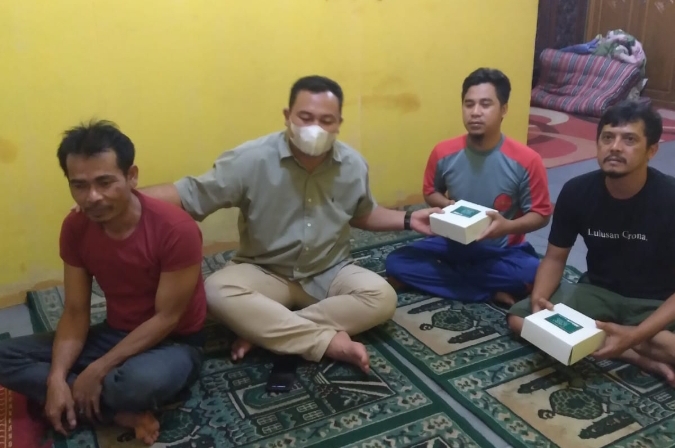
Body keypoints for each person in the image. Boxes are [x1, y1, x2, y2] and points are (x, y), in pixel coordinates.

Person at [135, 75, 441, 373]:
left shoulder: (352, 164)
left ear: (338, 124)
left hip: (329, 269)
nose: (315, 128)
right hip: (264, 269)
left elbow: (362, 213)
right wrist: (125, 199)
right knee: (215, 291)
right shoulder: (250, 159)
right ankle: (323, 341)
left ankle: (266, 331)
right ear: (287, 116)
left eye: (326, 120)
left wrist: (409, 218)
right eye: (305, 117)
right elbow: (189, 194)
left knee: (382, 297)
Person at [0, 121, 207, 445]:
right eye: (79, 186)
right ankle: (114, 411)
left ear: (132, 176)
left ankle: (96, 398)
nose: (93, 197)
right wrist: (56, 378)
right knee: (4, 355)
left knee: (135, 384)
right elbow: (75, 310)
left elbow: (167, 318)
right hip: (114, 332)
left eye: (105, 182)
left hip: (174, 342)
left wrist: (97, 369)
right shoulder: (76, 227)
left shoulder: (176, 229)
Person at [507, 100, 675, 386]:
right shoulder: (576, 191)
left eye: (629, 140)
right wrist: (539, 304)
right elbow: (555, 258)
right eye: (608, 138)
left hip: (655, 302)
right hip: (597, 292)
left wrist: (637, 333)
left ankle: (611, 339)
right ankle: (634, 354)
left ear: (652, 150)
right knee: (520, 320)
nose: (615, 147)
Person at [384, 68, 552, 307]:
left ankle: (441, 278)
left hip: (502, 250)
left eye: (485, 104)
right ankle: (488, 292)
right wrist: (447, 205)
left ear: (504, 109)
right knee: (396, 261)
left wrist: (507, 227)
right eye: (469, 104)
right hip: (452, 242)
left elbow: (541, 214)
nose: (475, 112)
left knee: (531, 273)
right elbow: (430, 192)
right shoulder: (443, 152)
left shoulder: (527, 160)